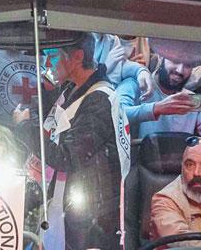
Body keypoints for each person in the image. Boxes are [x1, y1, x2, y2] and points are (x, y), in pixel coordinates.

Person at [17, 34, 130, 250]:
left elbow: (67, 156)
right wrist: (45, 88)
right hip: (67, 206)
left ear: (77, 57)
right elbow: (46, 121)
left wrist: (23, 128)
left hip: (89, 220)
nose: (46, 64)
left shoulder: (99, 100)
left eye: (52, 57)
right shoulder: (71, 88)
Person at [127, 54, 201, 137]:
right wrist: (156, 108)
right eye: (175, 61)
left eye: (188, 65)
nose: (180, 70)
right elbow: (118, 116)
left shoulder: (193, 98)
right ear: (160, 57)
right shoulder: (137, 85)